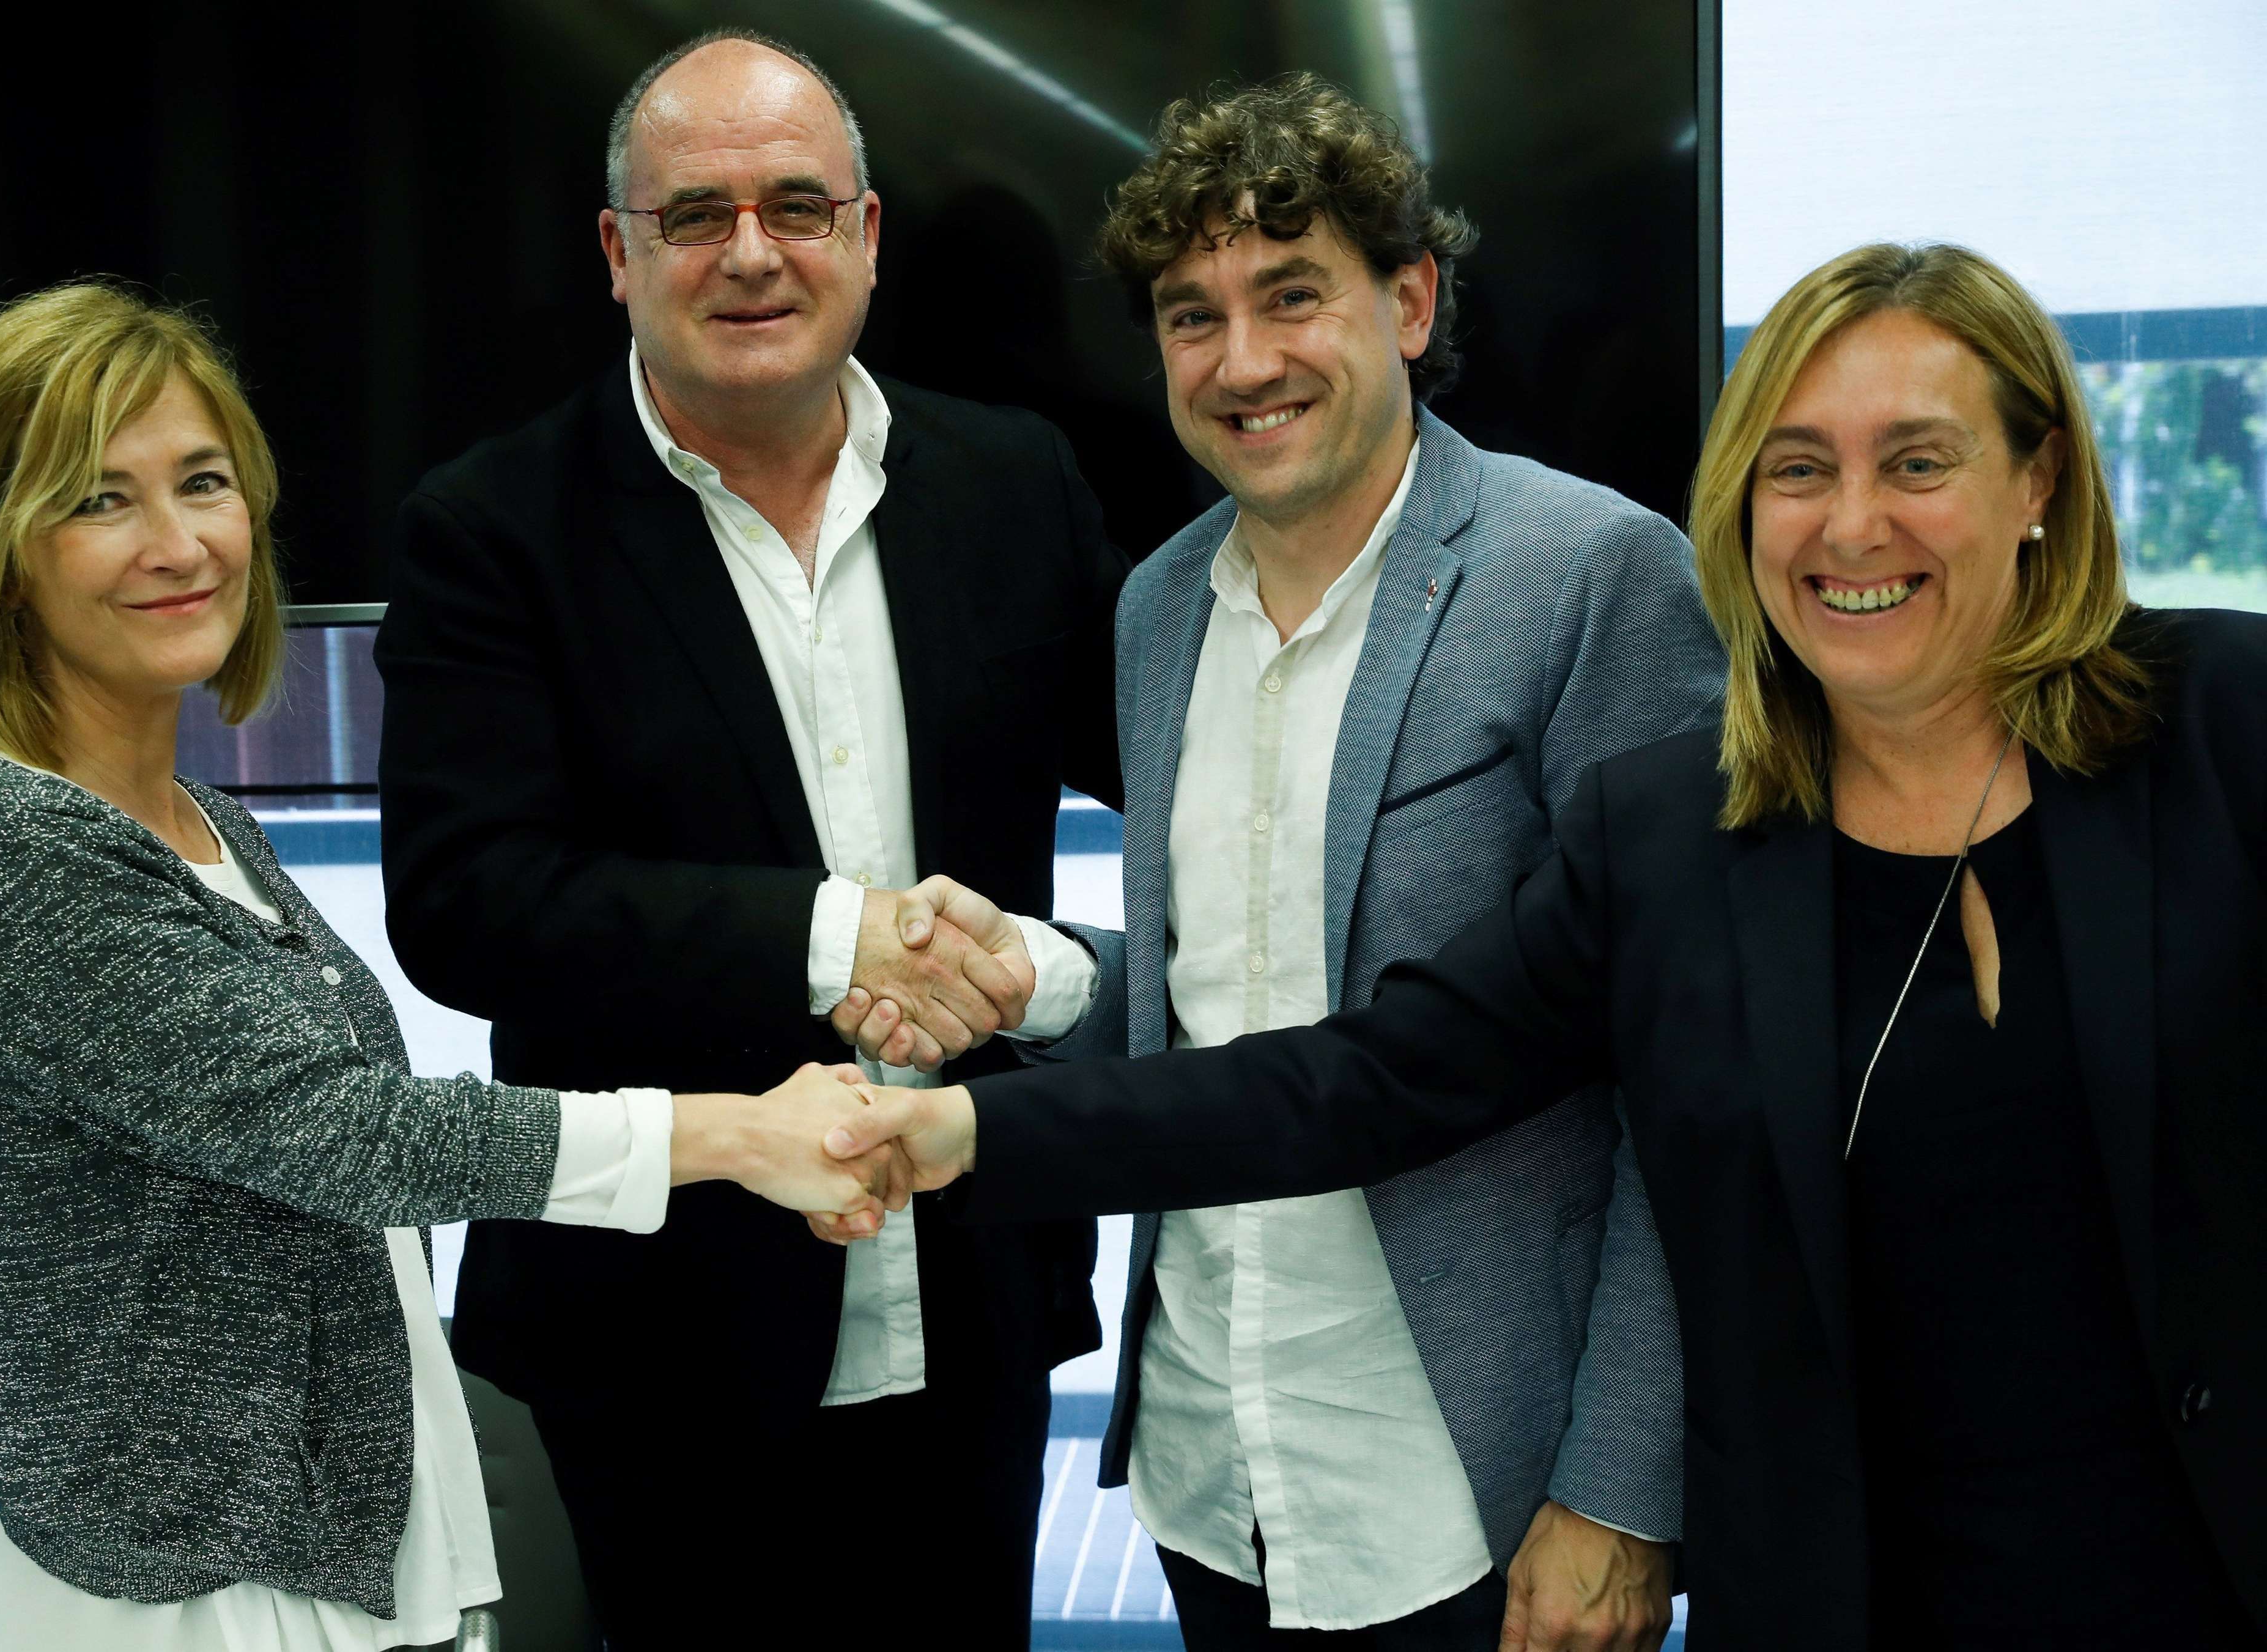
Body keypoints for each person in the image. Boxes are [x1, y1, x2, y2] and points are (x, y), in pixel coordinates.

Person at [828, 242, 2267, 1652]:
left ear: (2037, 482)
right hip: (1850, 1590)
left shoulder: (2224, 732)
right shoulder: (1674, 836)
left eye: (1915, 462)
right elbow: (1363, 1077)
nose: (1847, 527)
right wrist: (957, 1132)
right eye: (1796, 467)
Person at [0, 283, 887, 1652]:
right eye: (98, 500)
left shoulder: (203, 825)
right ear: (3, 552)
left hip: (332, 1552)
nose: (179, 545)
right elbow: (346, 1134)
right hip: (184, 1592)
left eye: (204, 482)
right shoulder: (7, 855)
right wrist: (742, 1137)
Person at [836, 74, 1707, 1652]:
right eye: (1191, 315)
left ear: (1414, 299)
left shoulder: (1595, 575)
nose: (1242, 362)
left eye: (1291, 294)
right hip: (1210, 1453)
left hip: (1476, 1476)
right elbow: (1231, 1005)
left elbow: (1688, 1072)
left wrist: (1624, 1484)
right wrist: (1038, 979)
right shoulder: (1157, 607)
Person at [370, 28, 1126, 1648]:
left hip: (969, 1295)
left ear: (863, 235)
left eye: (796, 204)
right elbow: (467, 900)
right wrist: (832, 936)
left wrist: (1037, 971)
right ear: (617, 255)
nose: (751, 252)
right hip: (645, 1339)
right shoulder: (492, 529)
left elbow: (1183, 781)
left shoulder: (1014, 484)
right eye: (695, 214)